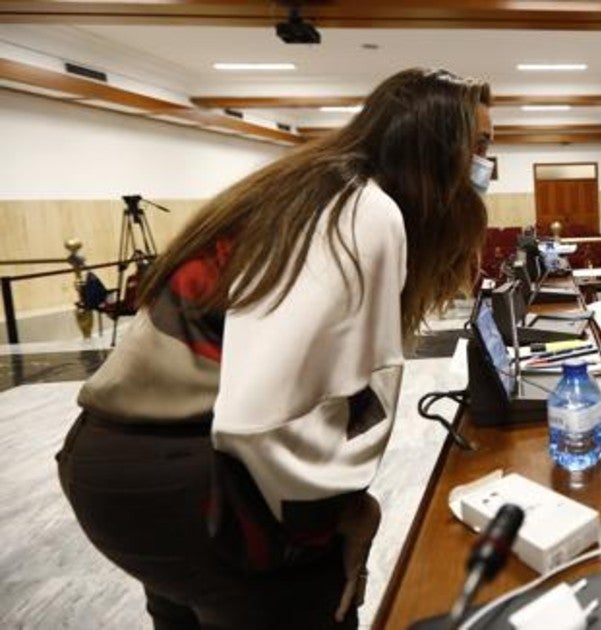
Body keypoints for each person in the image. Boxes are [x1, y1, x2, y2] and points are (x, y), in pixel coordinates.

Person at [55, 68, 493, 628]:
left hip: (113, 466)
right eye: (480, 146)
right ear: (434, 147)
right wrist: (330, 517)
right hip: (195, 481)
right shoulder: (361, 209)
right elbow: (263, 416)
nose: (487, 165)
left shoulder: (307, 187)